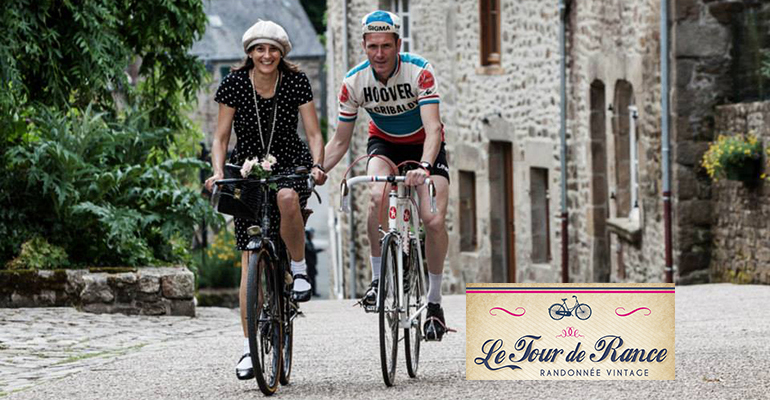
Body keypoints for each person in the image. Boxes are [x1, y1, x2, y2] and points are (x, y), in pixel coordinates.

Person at [203, 20, 326, 380]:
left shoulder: (297, 82)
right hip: (248, 170)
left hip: (289, 163)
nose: (266, 55)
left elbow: (315, 133)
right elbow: (220, 138)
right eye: (259, 49)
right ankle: (247, 350)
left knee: (288, 197)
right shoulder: (234, 84)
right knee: (248, 261)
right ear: (250, 53)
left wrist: (317, 166)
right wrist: (217, 170)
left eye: (272, 49)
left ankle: (299, 273)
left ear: (282, 52)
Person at [322, 11, 450, 341]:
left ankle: (434, 304)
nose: (379, 54)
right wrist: (318, 168)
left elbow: (434, 128)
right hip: (383, 144)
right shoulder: (353, 83)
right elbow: (339, 141)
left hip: (424, 143)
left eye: (386, 46)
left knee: (432, 220)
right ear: (364, 45)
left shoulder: (419, 71)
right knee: (376, 196)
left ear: (398, 44)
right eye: (373, 47)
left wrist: (423, 167)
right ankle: (379, 280)